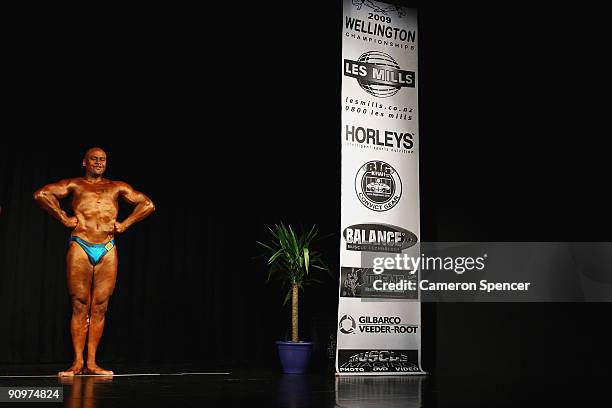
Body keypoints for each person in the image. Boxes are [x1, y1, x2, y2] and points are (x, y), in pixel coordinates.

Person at [33, 147, 155, 376]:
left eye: (102, 159)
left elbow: (147, 204)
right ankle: (77, 363)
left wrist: (124, 225)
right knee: (80, 304)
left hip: (108, 247)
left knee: (100, 306)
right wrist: (63, 217)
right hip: (81, 244)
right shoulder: (75, 184)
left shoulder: (117, 186)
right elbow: (41, 194)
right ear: (84, 162)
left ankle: (92, 363)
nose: (99, 162)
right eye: (94, 159)